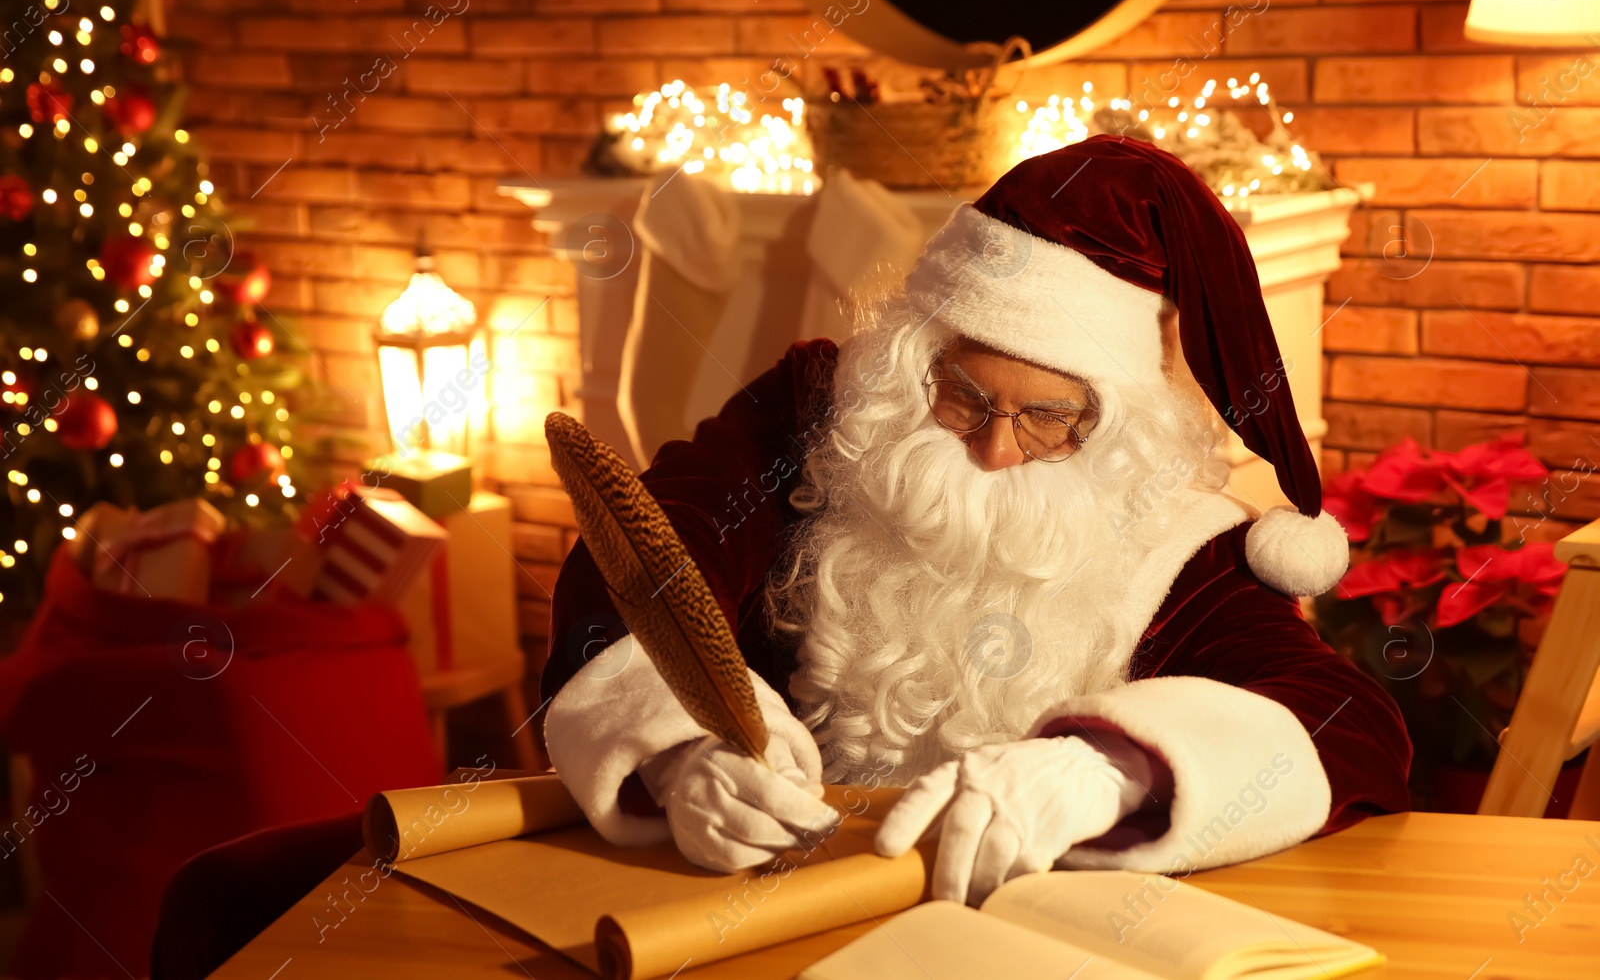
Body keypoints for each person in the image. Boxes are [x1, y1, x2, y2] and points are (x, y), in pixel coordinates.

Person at [541, 135, 1412, 907]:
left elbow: (1349, 723)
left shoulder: (1183, 540)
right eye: (964, 396)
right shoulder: (818, 412)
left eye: (1049, 419)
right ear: (920, 360)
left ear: (1114, 424)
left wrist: (1111, 767)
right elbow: (645, 547)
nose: (995, 448)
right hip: (769, 904)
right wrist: (682, 745)